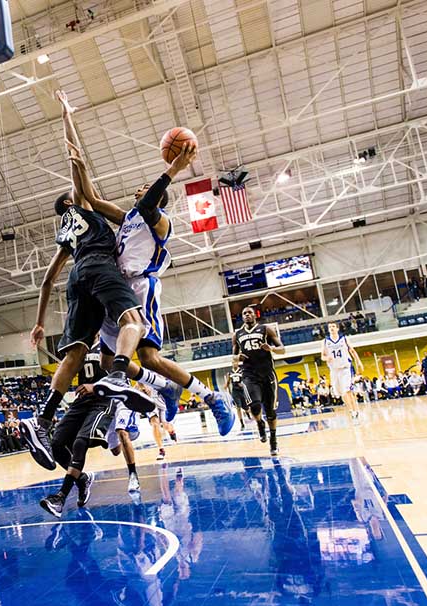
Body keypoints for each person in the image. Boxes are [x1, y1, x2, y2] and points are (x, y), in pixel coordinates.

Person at [60, 89, 233, 435]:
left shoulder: (160, 221)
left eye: (143, 189)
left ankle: (212, 397)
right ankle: (163, 389)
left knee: (149, 358)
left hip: (141, 287)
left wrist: (173, 169)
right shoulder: (128, 217)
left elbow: (151, 201)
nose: (138, 191)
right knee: (109, 362)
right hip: (115, 288)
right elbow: (90, 197)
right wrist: (75, 152)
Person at [20, 94, 164, 471]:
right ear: (71, 201)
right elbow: (75, 156)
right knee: (135, 323)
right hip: (100, 267)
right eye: (75, 194)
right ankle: (118, 375)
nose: (80, 193)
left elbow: (47, 280)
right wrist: (66, 116)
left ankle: (43, 419)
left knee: (74, 353)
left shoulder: (64, 234)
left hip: (75, 277)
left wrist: (39, 323)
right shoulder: (81, 207)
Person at [39, 347, 114, 517]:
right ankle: (82, 479)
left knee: (80, 442)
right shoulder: (80, 345)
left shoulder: (109, 340)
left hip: (103, 400)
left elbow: (121, 377)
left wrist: (95, 386)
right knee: (56, 444)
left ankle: (60, 498)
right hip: (81, 401)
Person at [232, 306, 285, 456]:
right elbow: (233, 359)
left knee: (270, 412)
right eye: (244, 313)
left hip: (267, 374)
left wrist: (272, 349)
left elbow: (282, 349)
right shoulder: (237, 334)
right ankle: (260, 424)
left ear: (255, 315)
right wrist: (237, 358)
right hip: (249, 375)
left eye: (249, 312)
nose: (247, 315)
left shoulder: (266, 329)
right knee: (254, 406)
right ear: (242, 317)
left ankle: (273, 440)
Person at [321, 322, 364, 420]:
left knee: (347, 390)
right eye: (329, 327)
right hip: (334, 370)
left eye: (333, 326)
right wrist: (327, 358)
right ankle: (351, 410)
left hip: (345, 368)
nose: (331, 328)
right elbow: (322, 356)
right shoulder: (325, 341)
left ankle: (355, 411)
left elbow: (352, 350)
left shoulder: (344, 339)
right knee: (341, 393)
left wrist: (358, 361)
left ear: (337, 328)